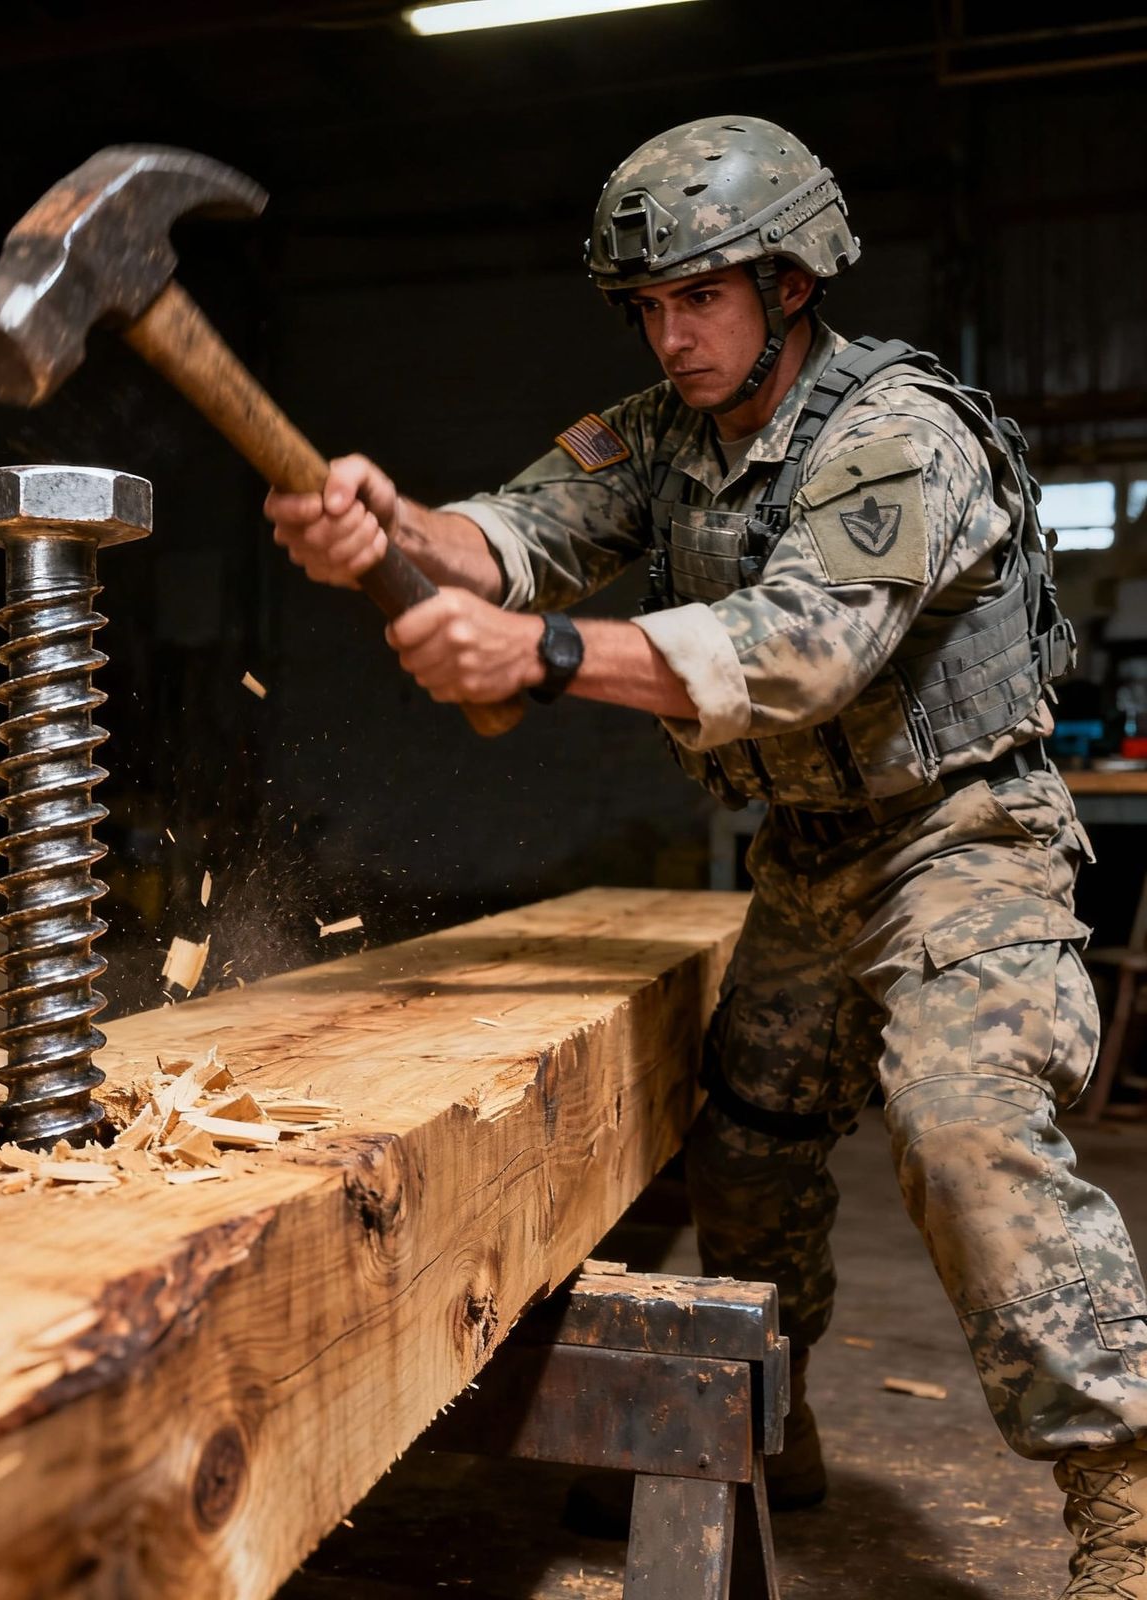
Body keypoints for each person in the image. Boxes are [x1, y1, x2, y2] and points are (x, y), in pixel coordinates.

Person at [266, 115, 1147, 1596]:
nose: (673, 335)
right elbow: (523, 532)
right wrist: (393, 527)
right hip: (812, 849)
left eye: (704, 298)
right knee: (746, 1144)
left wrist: (536, 655)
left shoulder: (897, 435)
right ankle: (770, 1423)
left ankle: (1123, 1493)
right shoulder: (664, 435)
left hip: (964, 837)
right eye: (651, 306)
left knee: (960, 1126)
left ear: (792, 283)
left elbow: (800, 653)